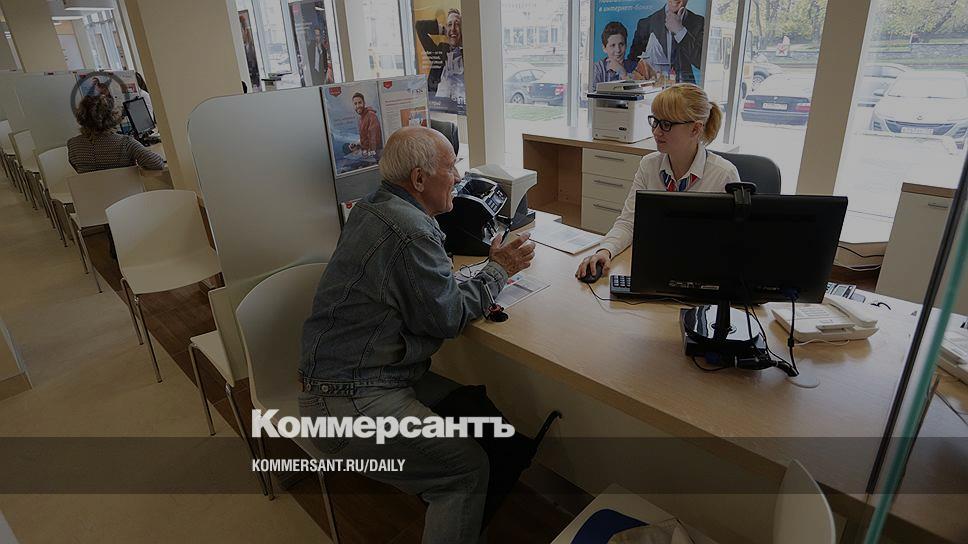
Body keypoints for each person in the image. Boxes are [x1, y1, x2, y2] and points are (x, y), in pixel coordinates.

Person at [299, 126, 536, 543]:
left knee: (474, 408)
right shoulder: (411, 229)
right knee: (466, 470)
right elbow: (448, 318)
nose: (459, 176)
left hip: (354, 379)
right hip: (348, 400)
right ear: (419, 179)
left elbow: (420, 295)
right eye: (451, 167)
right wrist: (499, 270)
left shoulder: (373, 207)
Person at [576, 84, 738, 278]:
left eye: (666, 124)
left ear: (695, 129)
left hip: (700, 272)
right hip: (654, 265)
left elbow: (731, 244)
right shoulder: (649, 165)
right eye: (655, 121)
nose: (656, 132)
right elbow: (628, 222)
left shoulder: (723, 175)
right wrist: (605, 250)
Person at [67, 94, 165, 174]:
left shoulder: (73, 145)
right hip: (127, 192)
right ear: (112, 116)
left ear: (81, 117)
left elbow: (76, 168)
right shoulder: (126, 143)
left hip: (90, 192)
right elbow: (157, 163)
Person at [627, 0, 705, 84]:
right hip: (655, 88)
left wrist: (680, 31)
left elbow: (701, 63)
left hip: (686, 89)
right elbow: (632, 62)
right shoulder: (646, 24)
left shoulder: (699, 22)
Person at [415, 9, 463, 101]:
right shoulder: (441, 50)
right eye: (450, 24)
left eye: (457, 24)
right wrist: (444, 30)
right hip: (438, 105)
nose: (453, 28)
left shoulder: (469, 53)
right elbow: (419, 26)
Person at [592, 21, 655, 86]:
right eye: (613, 45)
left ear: (626, 45)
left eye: (621, 44)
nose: (618, 50)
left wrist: (624, 74)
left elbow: (642, 89)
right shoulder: (597, 69)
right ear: (604, 48)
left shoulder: (635, 67)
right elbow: (591, 91)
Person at [349, 92, 383, 157]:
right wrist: (357, 145)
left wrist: (367, 154)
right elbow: (366, 138)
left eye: (360, 102)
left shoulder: (371, 115)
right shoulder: (361, 118)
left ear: (364, 103)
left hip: (375, 156)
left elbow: (374, 139)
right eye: (355, 104)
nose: (357, 106)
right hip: (369, 154)